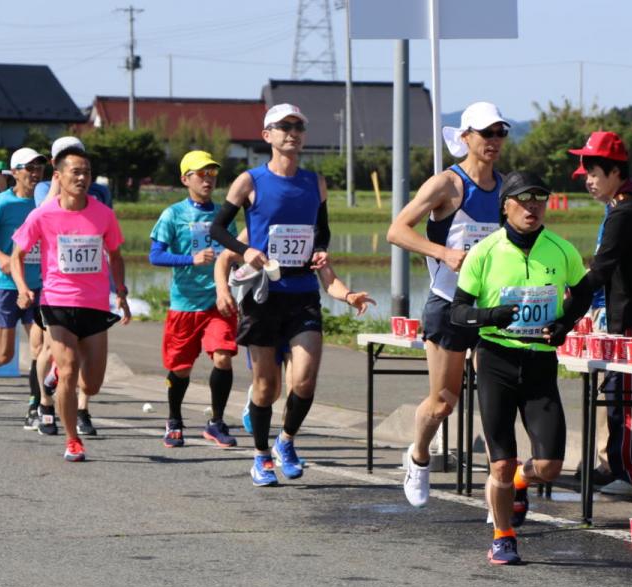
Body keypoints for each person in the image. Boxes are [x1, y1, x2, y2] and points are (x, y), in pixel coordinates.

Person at [210, 103, 373, 486]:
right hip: (264, 295)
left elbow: (323, 231)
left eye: (299, 126)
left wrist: (322, 252)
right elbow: (218, 229)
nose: (292, 133)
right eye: (284, 126)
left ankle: (287, 441)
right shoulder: (249, 181)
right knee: (267, 386)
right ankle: (262, 454)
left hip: (302, 293)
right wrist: (245, 249)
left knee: (304, 380)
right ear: (267, 135)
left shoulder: (315, 182)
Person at [450, 171, 591, 565]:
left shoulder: (561, 249)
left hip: (540, 362)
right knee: (500, 460)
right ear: (505, 206)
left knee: (548, 467)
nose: (532, 208)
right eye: (524, 201)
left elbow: (583, 292)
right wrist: (492, 314)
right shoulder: (485, 251)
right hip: (495, 359)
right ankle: (503, 535)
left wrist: (564, 325)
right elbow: (457, 313)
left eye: (539, 201)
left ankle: (520, 481)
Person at [387, 101, 508, 508]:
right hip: (448, 304)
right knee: (443, 403)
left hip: (492, 309)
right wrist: (442, 252)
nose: (493, 141)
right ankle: (418, 456)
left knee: (495, 404)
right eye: (485, 133)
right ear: (466, 137)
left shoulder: (507, 188)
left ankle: (500, 501)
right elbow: (397, 231)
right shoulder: (447, 185)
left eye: (500, 133)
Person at [9, 144, 131, 462]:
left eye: (87, 172)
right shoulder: (43, 214)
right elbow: (17, 254)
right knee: (68, 369)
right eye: (75, 172)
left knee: (92, 383)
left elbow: (116, 256)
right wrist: (22, 287)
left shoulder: (103, 214)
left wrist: (121, 291)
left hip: (95, 304)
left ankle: (57, 379)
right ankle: (72, 438)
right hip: (57, 302)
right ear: (59, 176)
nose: (82, 177)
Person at [570, 131, 632, 498]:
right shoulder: (630, 205)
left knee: (627, 399)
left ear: (615, 171)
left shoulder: (625, 211)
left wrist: (565, 309)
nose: (589, 181)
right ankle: (624, 467)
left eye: (594, 173)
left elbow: (600, 270)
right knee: (625, 395)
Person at [149, 150, 240, 448]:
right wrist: (191, 258)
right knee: (181, 368)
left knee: (224, 357)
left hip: (219, 300)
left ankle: (216, 422)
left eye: (213, 173)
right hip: (184, 304)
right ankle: (174, 419)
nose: (208, 179)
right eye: (202, 174)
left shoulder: (223, 215)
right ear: (185, 178)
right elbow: (155, 255)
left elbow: (235, 252)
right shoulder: (173, 214)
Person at [0, 147, 49, 429]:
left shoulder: (47, 203)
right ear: (14, 173)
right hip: (5, 286)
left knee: (39, 348)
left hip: (38, 285)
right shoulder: (2, 203)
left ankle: (35, 407)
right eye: (30, 168)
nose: (36, 173)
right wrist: (2, 257)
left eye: (40, 167)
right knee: (4, 355)